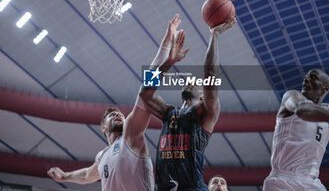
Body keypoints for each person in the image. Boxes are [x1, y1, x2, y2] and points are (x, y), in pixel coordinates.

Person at [47, 15, 183, 191]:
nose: (118, 114)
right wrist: (64, 176)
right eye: (111, 115)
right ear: (103, 127)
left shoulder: (131, 135)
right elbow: (87, 175)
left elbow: (146, 90)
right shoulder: (102, 156)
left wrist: (165, 47)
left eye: (120, 114)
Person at [140, 14, 236, 191]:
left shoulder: (206, 112)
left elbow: (210, 75)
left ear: (202, 97)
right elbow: (144, 93)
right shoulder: (168, 113)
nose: (191, 81)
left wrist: (214, 35)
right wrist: (168, 62)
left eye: (197, 83)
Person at [263, 69, 329, 191]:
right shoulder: (292, 96)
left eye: (313, 77)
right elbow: (301, 109)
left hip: (311, 182)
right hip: (283, 180)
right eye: (306, 77)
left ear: (325, 89)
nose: (306, 79)